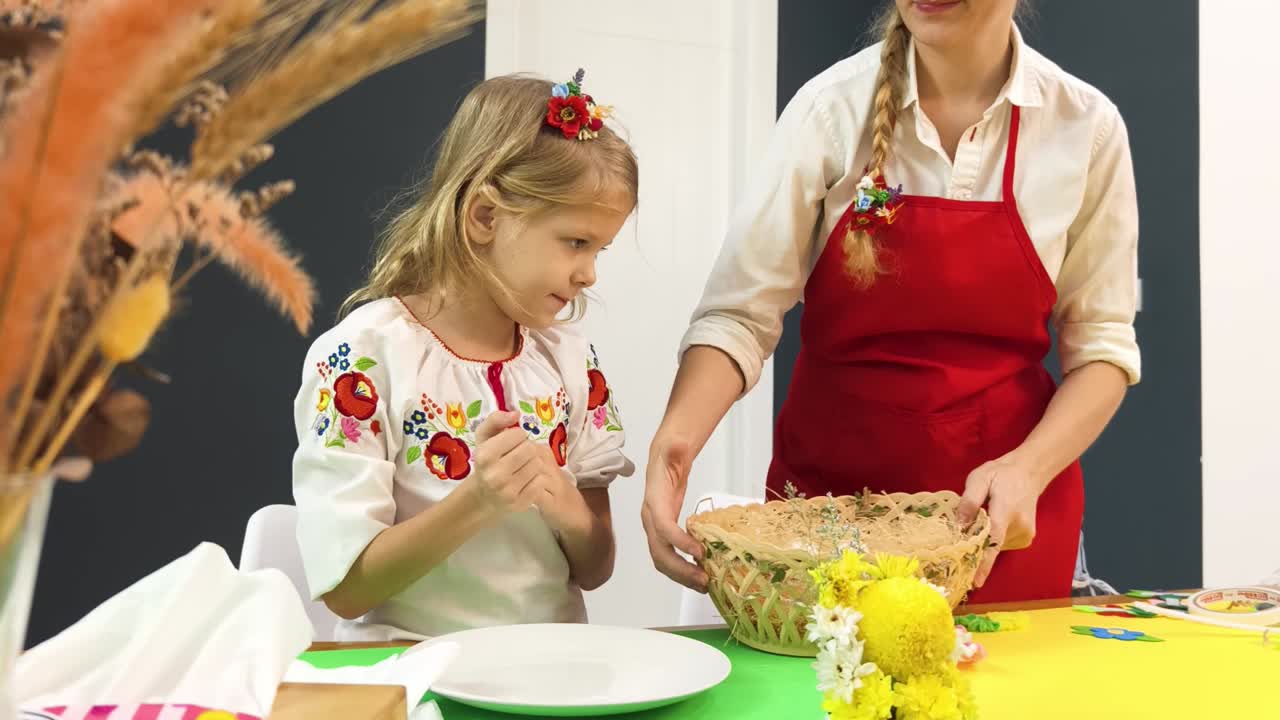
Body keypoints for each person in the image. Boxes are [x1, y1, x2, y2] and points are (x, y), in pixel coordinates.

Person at [642, 0, 1140, 603]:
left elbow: (1103, 350)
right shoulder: (828, 113)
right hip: (827, 528)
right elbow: (739, 315)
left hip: (996, 531)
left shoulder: (1085, 129)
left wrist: (1028, 469)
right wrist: (677, 440)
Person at [291, 71, 637, 640]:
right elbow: (348, 591)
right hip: (409, 672)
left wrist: (564, 501)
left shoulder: (574, 365)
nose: (589, 273)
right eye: (576, 242)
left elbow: (596, 568)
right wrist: (478, 501)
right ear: (484, 217)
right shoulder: (362, 359)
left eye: (601, 249)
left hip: (548, 672)